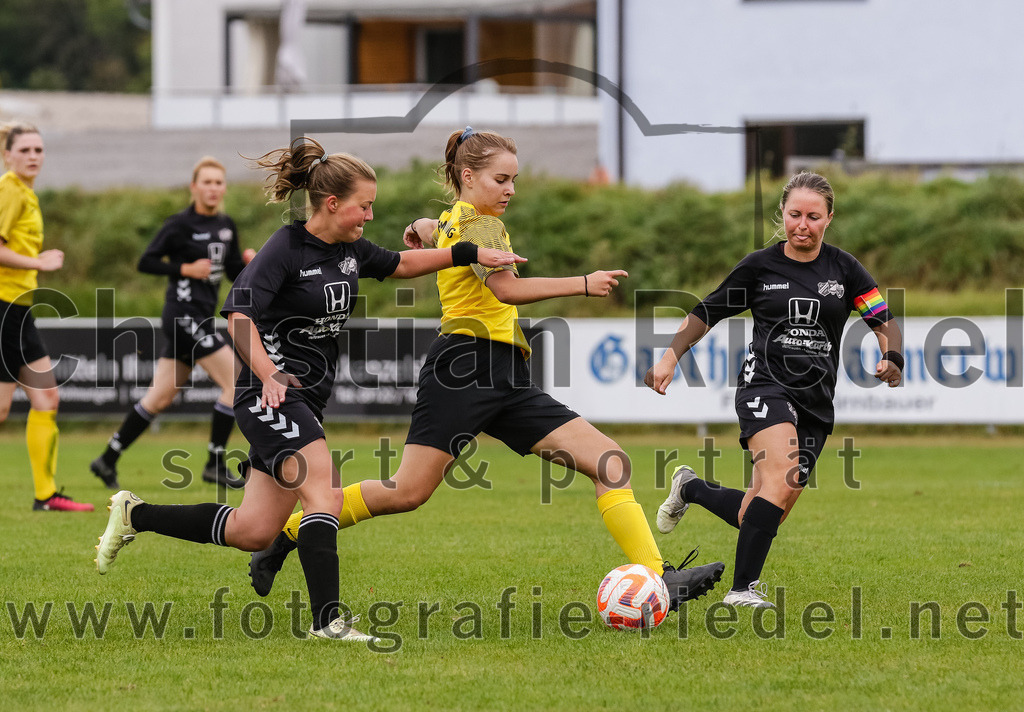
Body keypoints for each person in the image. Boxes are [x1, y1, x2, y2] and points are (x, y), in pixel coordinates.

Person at [248, 127, 725, 612]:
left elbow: (440, 231)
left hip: (503, 374)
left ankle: (660, 578)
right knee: (407, 491)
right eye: (501, 179)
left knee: (609, 461)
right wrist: (583, 282)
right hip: (464, 368)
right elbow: (506, 290)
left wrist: (424, 227)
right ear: (468, 175)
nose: (511, 189)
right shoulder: (484, 227)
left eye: (514, 180)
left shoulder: (459, 216)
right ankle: (288, 534)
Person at [94, 137, 524, 641]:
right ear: (332, 203)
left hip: (302, 398)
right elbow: (237, 315)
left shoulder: (348, 250)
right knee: (322, 485)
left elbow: (399, 264)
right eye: (364, 207)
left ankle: (134, 514)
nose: (368, 217)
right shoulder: (286, 248)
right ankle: (329, 622)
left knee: (253, 529)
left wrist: (466, 252)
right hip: (269, 393)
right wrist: (269, 373)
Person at [645, 171, 903, 608]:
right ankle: (742, 591)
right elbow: (707, 310)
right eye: (795, 214)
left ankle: (690, 488)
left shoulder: (845, 270)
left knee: (761, 510)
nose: (803, 225)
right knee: (781, 481)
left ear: (829, 218)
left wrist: (893, 358)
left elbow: (883, 321)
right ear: (781, 214)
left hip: (817, 403)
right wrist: (671, 355)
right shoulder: (760, 266)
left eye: (813, 217)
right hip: (764, 386)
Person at [90, 157, 255, 490]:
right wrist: (184, 269)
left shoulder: (227, 226)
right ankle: (214, 462)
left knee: (160, 397)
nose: (213, 188)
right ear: (193, 187)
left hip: (200, 317)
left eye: (218, 182)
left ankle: (107, 459)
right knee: (237, 382)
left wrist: (252, 264)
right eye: (206, 182)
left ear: (224, 188)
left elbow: (234, 272)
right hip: (183, 315)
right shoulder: (179, 224)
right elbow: (146, 261)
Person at [0, 123, 94, 513]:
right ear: (7, 155)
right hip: (3, 308)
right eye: (24, 150)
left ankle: (46, 495)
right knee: (2, 409)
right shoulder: (8, 189)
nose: (33, 156)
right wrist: (37, 261)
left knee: (47, 397)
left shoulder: (26, 193)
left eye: (38, 149)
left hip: (21, 309)